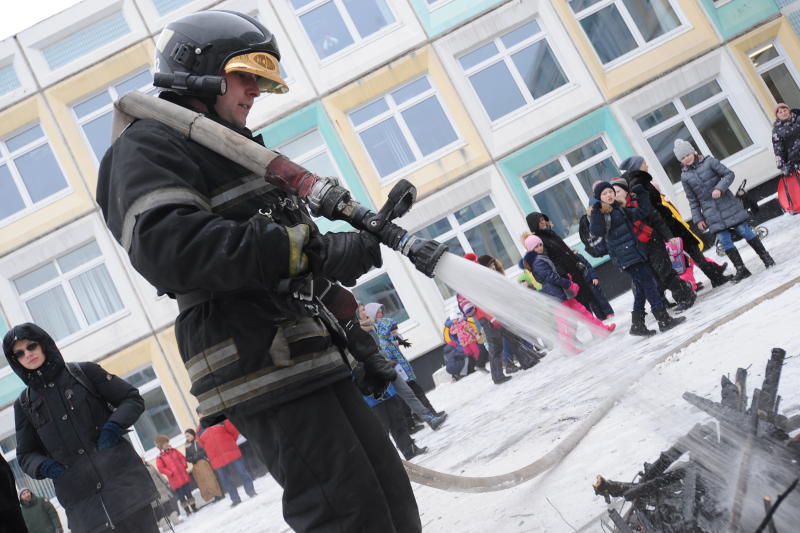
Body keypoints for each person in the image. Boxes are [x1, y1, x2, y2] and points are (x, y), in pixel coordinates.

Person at [96, 10, 418, 532]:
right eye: (246, 75)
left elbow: (289, 263)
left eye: (261, 81)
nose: (256, 92)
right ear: (198, 71)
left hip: (304, 350)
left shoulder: (228, 146)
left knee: (390, 501)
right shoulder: (148, 145)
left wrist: (353, 321)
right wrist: (311, 250)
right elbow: (170, 247)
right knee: (347, 514)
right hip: (256, 359)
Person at [4, 323, 158, 533]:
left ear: (43, 344)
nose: (28, 354)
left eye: (31, 346)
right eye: (20, 353)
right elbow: (25, 455)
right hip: (84, 507)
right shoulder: (24, 405)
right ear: (16, 361)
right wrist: (47, 467)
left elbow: (131, 399)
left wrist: (112, 428)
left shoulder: (83, 372)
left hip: (125, 488)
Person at [620, 156, 731, 288]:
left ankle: (715, 275)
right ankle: (712, 279)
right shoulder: (639, 183)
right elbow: (651, 209)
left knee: (692, 251)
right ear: (637, 166)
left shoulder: (641, 181)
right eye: (644, 163)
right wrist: (666, 228)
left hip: (667, 223)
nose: (647, 165)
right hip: (666, 225)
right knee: (691, 251)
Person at [674, 139, 775, 282]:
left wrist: (719, 188)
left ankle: (766, 258)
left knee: (743, 230)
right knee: (724, 239)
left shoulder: (709, 162)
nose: (686, 158)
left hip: (728, 204)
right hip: (711, 213)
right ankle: (741, 269)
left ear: (693, 152)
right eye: (683, 158)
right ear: (681, 161)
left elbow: (729, 174)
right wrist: (698, 219)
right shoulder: (685, 177)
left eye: (687, 155)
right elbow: (693, 200)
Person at [589, 183, 686, 333]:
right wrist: (596, 211)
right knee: (649, 286)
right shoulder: (602, 214)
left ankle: (637, 325)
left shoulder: (619, 209)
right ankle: (663, 320)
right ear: (598, 198)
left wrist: (642, 194)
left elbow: (642, 212)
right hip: (626, 257)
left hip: (634, 253)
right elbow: (596, 231)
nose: (609, 195)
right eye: (604, 194)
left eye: (610, 191)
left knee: (641, 288)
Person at [609, 176, 696, 311]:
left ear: (626, 191)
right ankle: (663, 303)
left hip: (653, 241)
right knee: (653, 277)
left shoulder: (638, 201)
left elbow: (656, 219)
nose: (615, 195)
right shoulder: (616, 211)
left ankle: (685, 296)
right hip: (638, 248)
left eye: (617, 191)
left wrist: (668, 236)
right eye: (612, 193)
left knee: (665, 272)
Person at [523, 235, 615, 354]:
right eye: (536, 247)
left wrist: (567, 279)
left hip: (562, 293)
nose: (540, 248)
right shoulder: (537, 262)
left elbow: (554, 274)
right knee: (564, 322)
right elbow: (551, 277)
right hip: (556, 295)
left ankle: (601, 329)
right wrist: (568, 284)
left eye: (540, 245)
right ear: (531, 250)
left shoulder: (541, 257)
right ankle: (567, 347)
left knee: (583, 312)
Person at [365, 303, 442, 418]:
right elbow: (389, 352)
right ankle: (429, 414)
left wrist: (396, 338)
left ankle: (426, 414)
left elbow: (398, 339)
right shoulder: (381, 333)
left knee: (414, 393)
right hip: (398, 371)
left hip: (403, 369)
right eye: (378, 312)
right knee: (415, 392)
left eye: (381, 311)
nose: (381, 314)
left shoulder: (385, 331)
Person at [525, 212, 603, 318]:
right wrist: (563, 273)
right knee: (580, 301)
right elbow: (546, 260)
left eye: (543, 219)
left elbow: (564, 248)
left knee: (587, 296)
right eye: (540, 221)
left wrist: (576, 260)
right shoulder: (538, 240)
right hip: (566, 274)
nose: (543, 222)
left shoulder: (550, 233)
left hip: (573, 268)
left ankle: (599, 323)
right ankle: (595, 327)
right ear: (534, 224)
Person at [196, 418, 256, 507]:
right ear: (199, 415)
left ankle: (251, 491)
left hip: (231, 451)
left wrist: (229, 443)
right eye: (201, 413)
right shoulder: (199, 430)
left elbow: (234, 431)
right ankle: (235, 499)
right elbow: (202, 445)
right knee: (225, 480)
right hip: (216, 458)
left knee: (242, 472)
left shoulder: (221, 419)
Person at [155, 435, 196, 516]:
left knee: (188, 492)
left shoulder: (174, 450)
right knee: (181, 496)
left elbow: (182, 458)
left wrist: (184, 465)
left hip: (183, 476)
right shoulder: (160, 457)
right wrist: (170, 473)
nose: (166, 444)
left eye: (167, 442)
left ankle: (194, 507)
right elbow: (161, 468)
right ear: (160, 446)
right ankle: (187, 510)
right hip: (174, 479)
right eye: (164, 443)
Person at [571, 249, 614, 321]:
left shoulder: (578, 257)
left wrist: (594, 277)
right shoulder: (566, 264)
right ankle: (600, 316)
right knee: (591, 302)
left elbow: (588, 266)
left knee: (599, 297)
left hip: (590, 281)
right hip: (581, 285)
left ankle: (608, 312)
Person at [184, 429, 223, 503]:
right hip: (196, 465)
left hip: (203, 462)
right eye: (186, 436)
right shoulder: (187, 445)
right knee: (204, 482)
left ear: (193, 434)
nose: (187, 438)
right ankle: (213, 496)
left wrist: (197, 456)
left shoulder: (198, 440)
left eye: (188, 436)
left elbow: (205, 450)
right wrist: (192, 458)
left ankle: (218, 494)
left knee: (210, 479)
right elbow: (187, 457)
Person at [143, 459, 182, 529]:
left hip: (161, 489)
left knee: (168, 505)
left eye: (143, 458)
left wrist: (166, 482)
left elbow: (158, 474)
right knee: (158, 509)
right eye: (141, 459)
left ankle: (175, 520)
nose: (143, 459)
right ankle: (165, 526)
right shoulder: (140, 470)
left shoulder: (150, 465)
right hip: (151, 492)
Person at [772, 103, 800, 175]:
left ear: (789, 111)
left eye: (785, 110)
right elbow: (778, 149)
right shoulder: (777, 130)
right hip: (796, 159)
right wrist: (782, 166)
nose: (783, 113)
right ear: (777, 115)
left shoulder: (798, 119)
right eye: (780, 112)